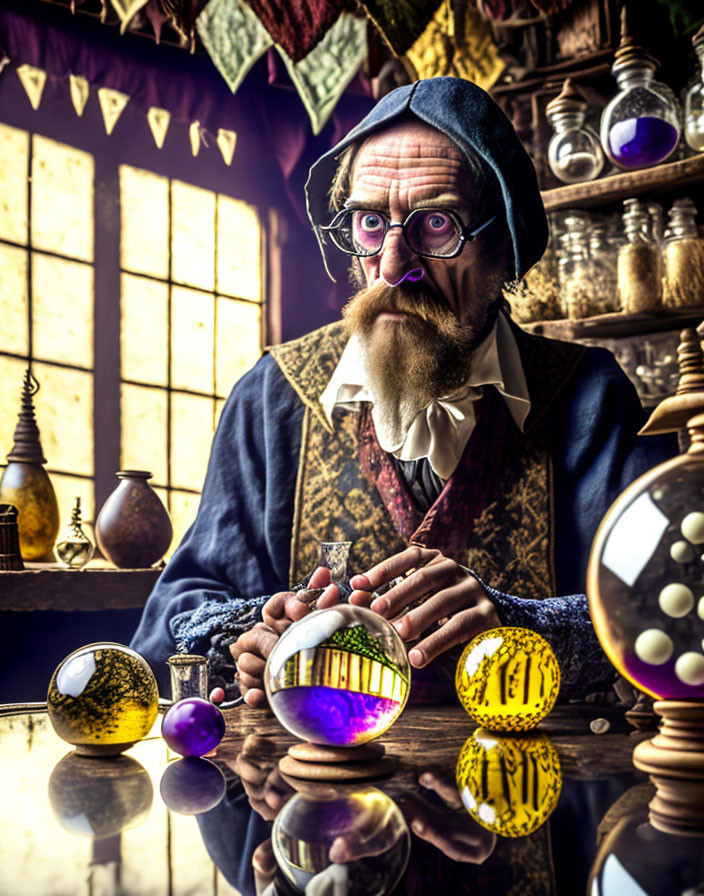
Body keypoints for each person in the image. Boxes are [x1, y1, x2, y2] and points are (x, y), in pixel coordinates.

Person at [130, 77, 674, 705]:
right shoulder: (271, 397)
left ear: (504, 242)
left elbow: (667, 604)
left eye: (436, 224)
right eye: (368, 222)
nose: (392, 266)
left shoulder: (587, 396)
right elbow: (176, 617)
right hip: (312, 793)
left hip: (539, 788)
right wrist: (244, 641)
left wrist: (530, 627)